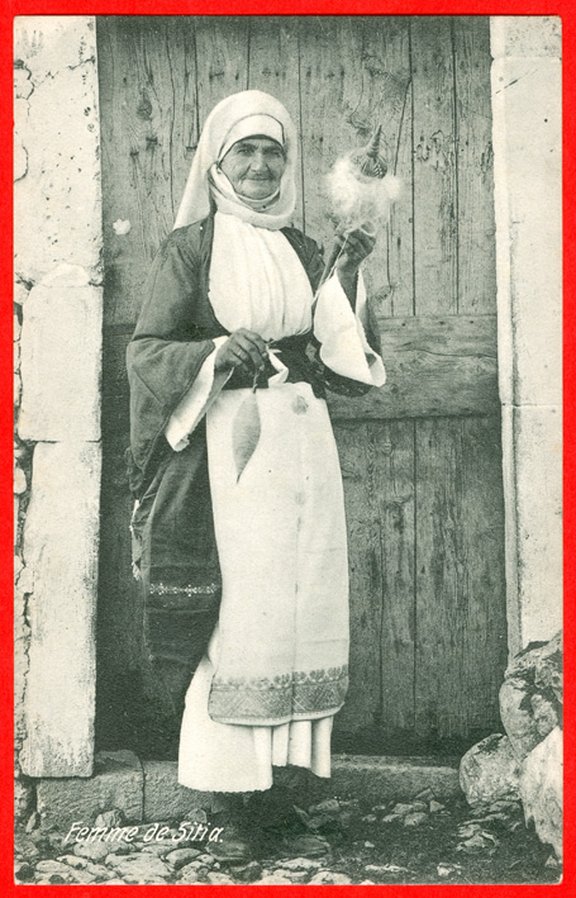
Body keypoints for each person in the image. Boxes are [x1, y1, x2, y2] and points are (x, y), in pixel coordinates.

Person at [126, 89, 386, 846]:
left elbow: (334, 355)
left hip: (301, 450)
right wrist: (213, 352)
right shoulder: (191, 249)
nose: (263, 165)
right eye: (247, 151)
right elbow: (146, 351)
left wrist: (344, 274)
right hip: (226, 457)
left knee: (294, 618)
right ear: (218, 159)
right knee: (236, 621)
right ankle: (225, 803)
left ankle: (276, 795)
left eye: (274, 151)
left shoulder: (302, 248)